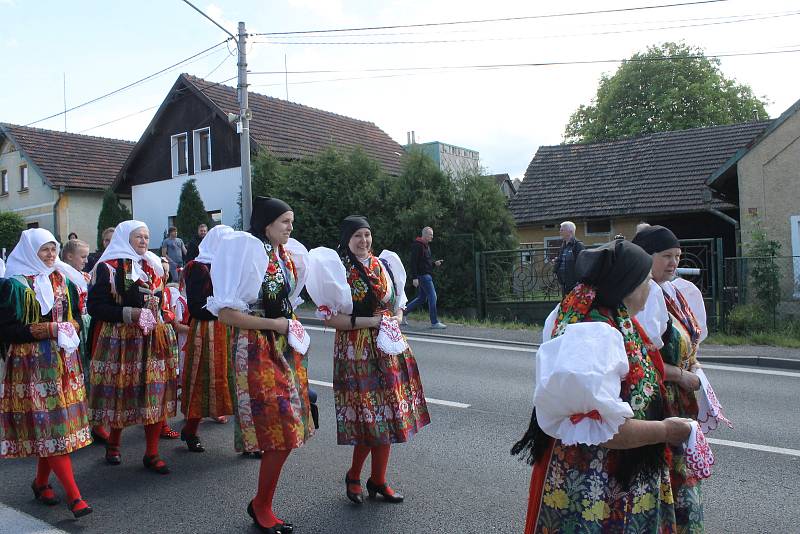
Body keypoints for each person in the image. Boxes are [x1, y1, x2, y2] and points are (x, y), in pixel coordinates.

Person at [513, 239, 692, 533]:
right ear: (628, 286)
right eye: (646, 280)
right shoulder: (594, 335)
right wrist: (667, 431)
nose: (652, 288)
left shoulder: (611, 318)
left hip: (616, 473)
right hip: (597, 481)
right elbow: (608, 432)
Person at [207, 197, 313, 533]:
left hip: (285, 346)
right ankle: (262, 506)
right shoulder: (247, 251)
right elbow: (226, 314)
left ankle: (261, 502)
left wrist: (289, 326)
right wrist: (276, 325)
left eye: (291, 221)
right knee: (279, 431)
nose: (290, 228)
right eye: (284, 221)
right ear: (266, 224)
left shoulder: (285, 255)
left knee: (289, 430)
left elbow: (287, 301)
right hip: (256, 350)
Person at [325, 215, 431, 505]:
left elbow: (397, 306)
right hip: (356, 350)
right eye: (357, 236)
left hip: (388, 346)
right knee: (368, 417)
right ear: (347, 239)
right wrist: (372, 321)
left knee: (390, 413)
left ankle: (379, 479)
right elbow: (333, 319)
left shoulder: (383, 265)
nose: (364, 241)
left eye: (367, 235)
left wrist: (396, 318)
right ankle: (354, 475)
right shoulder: (340, 271)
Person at [0, 229, 93, 518]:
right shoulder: (14, 285)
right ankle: (75, 497)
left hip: (63, 361)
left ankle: (41, 483)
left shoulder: (63, 279)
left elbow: (77, 318)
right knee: (50, 426)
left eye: (53, 249)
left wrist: (71, 328)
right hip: (31, 364)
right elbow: (6, 330)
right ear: (30, 252)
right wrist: (47, 329)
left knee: (55, 427)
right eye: (44, 250)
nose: (51, 255)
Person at [87, 220, 179, 475]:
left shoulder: (150, 265)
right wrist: (131, 313)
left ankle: (152, 453)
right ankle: (114, 445)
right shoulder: (108, 267)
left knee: (154, 393)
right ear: (125, 238)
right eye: (138, 236)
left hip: (153, 337)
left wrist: (161, 315)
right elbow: (94, 307)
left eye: (147, 237)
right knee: (123, 394)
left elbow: (158, 299)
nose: (143, 241)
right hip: (122, 339)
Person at [633, 224, 707, 532]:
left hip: (678, 399)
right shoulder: (643, 294)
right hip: (657, 400)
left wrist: (695, 367)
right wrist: (679, 375)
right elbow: (638, 357)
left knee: (681, 478)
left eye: (677, 255)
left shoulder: (672, 291)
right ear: (644, 257)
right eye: (666, 256)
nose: (674, 262)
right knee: (664, 478)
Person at [179, 224, 235, 453]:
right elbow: (196, 307)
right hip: (207, 331)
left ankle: (249, 440)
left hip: (230, 328)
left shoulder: (231, 266)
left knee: (236, 382)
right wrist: (224, 308)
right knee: (203, 382)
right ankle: (190, 431)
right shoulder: (198, 267)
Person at [61, 239, 111, 443]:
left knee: (91, 375)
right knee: (78, 377)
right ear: (69, 256)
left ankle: (94, 422)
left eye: (87, 256)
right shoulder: (63, 276)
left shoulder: (82, 275)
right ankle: (80, 423)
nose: (86, 260)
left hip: (87, 326)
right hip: (74, 328)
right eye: (82, 256)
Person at [403, 226, 446, 329]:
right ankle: (434, 322)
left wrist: (434, 264)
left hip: (425, 275)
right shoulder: (418, 245)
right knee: (433, 296)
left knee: (421, 298)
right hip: (423, 276)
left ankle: (403, 313)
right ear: (425, 234)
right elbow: (413, 262)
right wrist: (414, 278)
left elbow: (425, 263)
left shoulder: (426, 246)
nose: (432, 237)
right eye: (431, 235)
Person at [552, 221, 585, 296]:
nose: (560, 231)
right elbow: (562, 260)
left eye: (562, 230)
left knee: (573, 306)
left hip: (574, 284)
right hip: (564, 283)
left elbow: (582, 265)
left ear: (570, 231)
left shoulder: (578, 245)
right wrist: (557, 262)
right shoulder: (563, 245)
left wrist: (578, 283)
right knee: (565, 305)